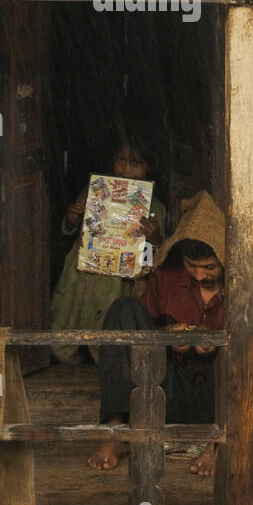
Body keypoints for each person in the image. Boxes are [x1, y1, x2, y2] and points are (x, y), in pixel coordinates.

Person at [88, 190, 226, 478]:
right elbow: (141, 330)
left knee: (241, 343)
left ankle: (217, 445)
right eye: (193, 267)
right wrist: (167, 335)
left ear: (224, 260)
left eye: (210, 268)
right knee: (123, 309)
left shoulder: (243, 284)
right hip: (167, 392)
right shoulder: (167, 277)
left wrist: (217, 344)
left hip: (214, 399)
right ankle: (116, 430)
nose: (200, 276)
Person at [50, 131, 165, 364]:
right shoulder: (95, 191)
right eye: (120, 160)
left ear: (148, 167)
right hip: (83, 274)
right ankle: (70, 355)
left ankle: (106, 359)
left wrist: (154, 238)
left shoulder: (154, 206)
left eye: (136, 163)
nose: (126, 169)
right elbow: (70, 230)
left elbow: (153, 257)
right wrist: (72, 220)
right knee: (68, 323)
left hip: (120, 280)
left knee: (111, 323)